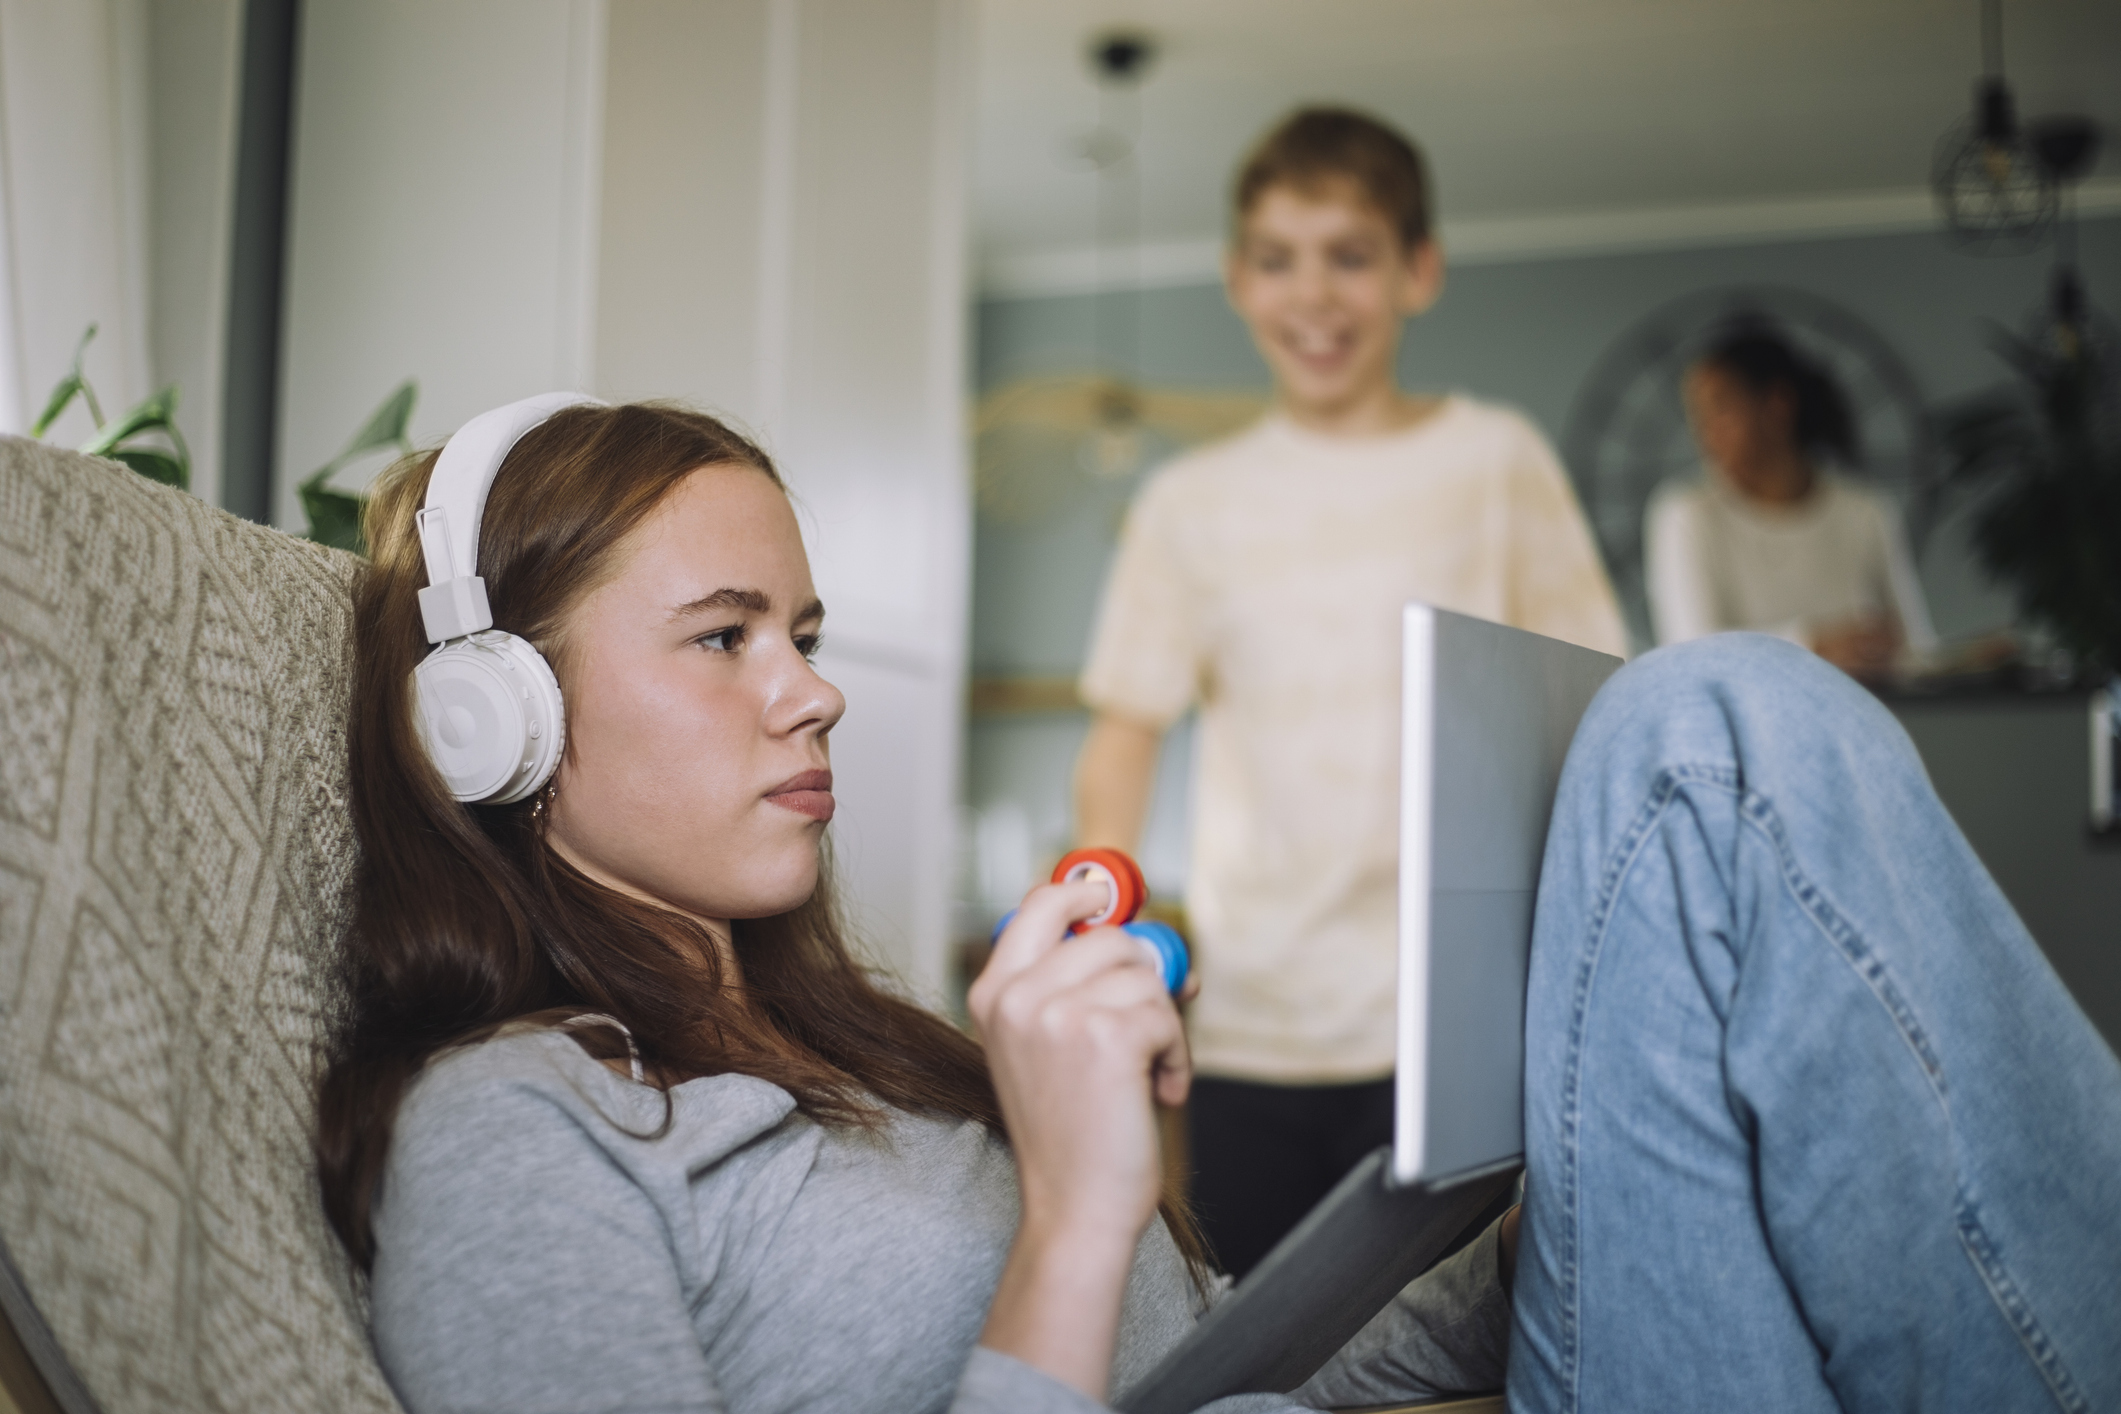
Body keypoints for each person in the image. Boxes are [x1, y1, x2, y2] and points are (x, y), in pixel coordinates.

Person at [322, 399, 2121, 1414]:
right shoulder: (515, 1126)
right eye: (725, 638)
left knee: (1706, 734)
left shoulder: (853, 1048)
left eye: (802, 633)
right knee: (1698, 738)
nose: (813, 688)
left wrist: (1540, 1204)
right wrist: (1081, 1214)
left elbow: (1239, 1364)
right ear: (498, 719)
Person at [1072, 107, 1626, 1279]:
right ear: (1236, 279)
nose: (1312, 294)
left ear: (1416, 270)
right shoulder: (1190, 503)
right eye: (1277, 259)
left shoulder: (1495, 461)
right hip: (1248, 1025)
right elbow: (1123, 736)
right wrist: (1104, 917)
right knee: (1258, 1355)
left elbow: (1591, 710)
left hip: (1456, 1025)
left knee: (1462, 1353)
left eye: (1350, 255)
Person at [1645, 321, 1937, 678]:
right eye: (1697, 414)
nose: (1704, 431)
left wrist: (1968, 662)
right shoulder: (1685, 514)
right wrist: (1812, 643)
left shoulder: (1865, 511)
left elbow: (1915, 648)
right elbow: (1688, 651)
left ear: (1777, 404)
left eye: (1720, 407)